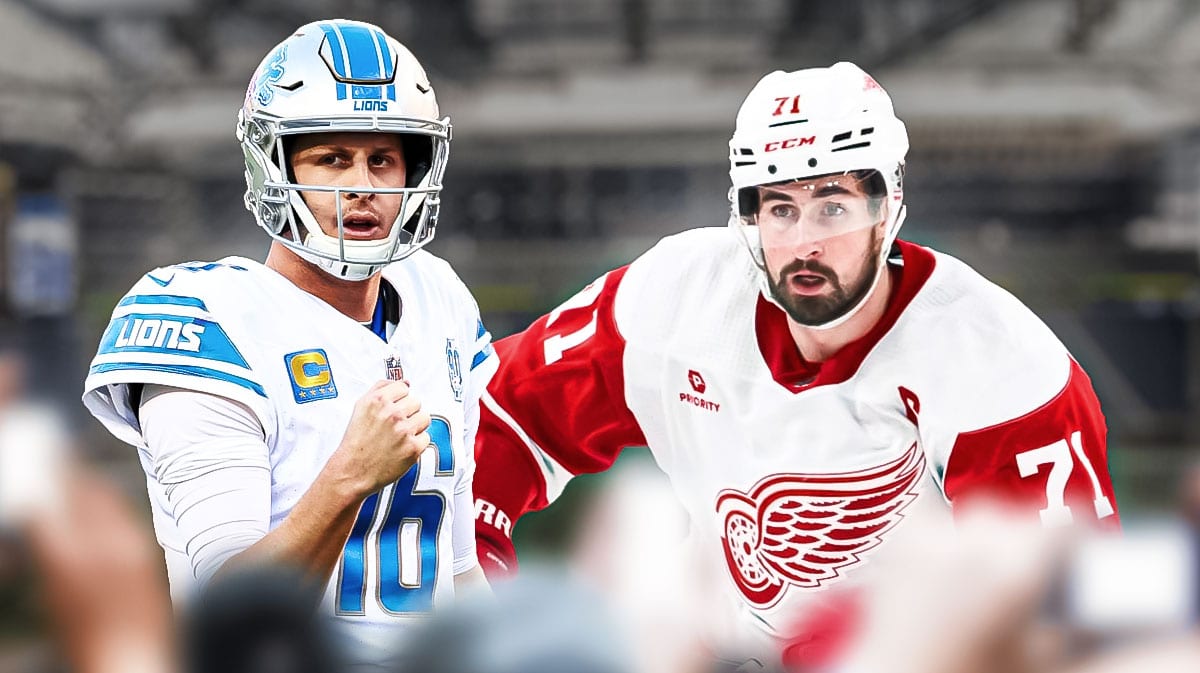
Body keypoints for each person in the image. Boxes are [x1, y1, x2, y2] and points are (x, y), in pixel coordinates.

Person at [471, 62, 1119, 668]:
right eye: (781, 207)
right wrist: (466, 589)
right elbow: (499, 415)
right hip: (707, 643)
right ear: (746, 214)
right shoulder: (674, 295)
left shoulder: (997, 359)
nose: (805, 240)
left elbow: (1067, 610)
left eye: (832, 204)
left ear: (886, 206)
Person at [82, 19, 496, 669]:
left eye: (382, 159)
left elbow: (458, 565)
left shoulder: (439, 299)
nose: (363, 184)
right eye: (333, 158)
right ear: (273, 164)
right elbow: (233, 612)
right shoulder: (213, 321)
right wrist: (348, 477)